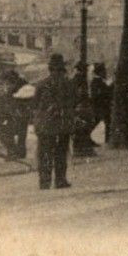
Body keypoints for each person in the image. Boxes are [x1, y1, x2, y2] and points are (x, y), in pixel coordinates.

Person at [32, 53, 79, 190]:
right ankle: (60, 180)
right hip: (62, 124)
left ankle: (45, 181)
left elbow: (34, 105)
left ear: (50, 69)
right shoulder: (69, 84)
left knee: (45, 153)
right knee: (61, 152)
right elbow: (74, 102)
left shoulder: (41, 84)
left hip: (45, 124)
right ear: (62, 69)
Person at [87, 63, 111, 145]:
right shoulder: (97, 81)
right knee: (97, 121)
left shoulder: (99, 81)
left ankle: (108, 139)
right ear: (100, 72)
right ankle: (86, 137)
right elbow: (98, 94)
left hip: (101, 105)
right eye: (104, 71)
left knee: (106, 121)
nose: (105, 73)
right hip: (99, 106)